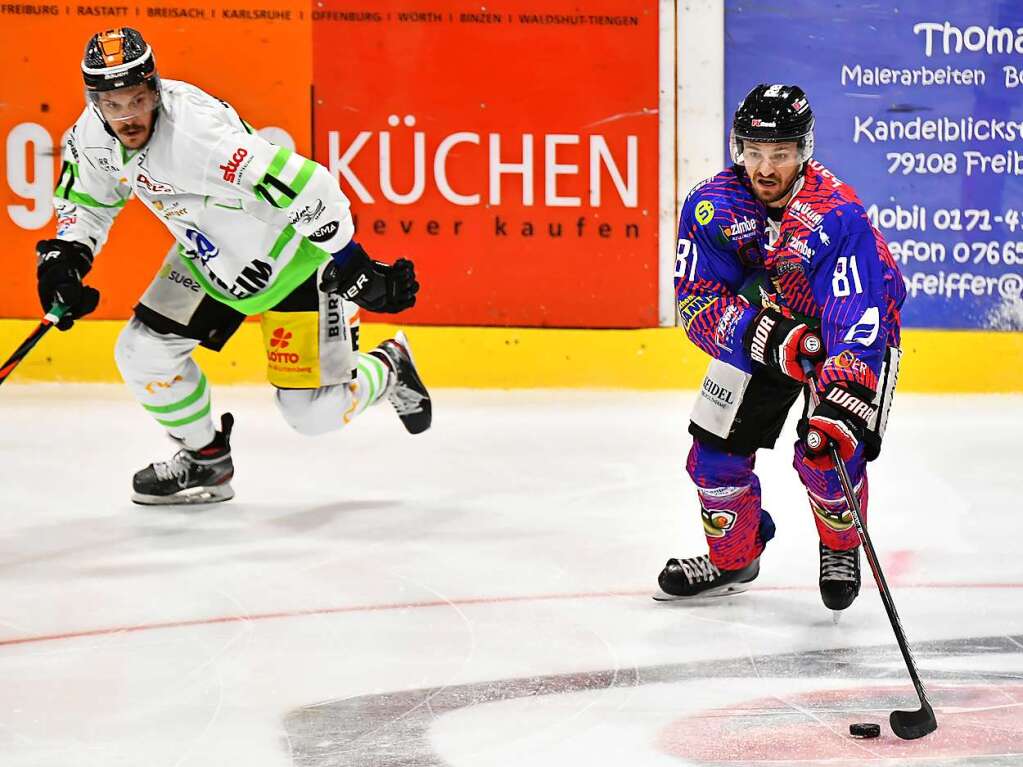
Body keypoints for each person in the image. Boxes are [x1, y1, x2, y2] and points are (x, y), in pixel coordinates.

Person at [37, 27, 432, 505]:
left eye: (137, 99)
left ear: (155, 89)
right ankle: (205, 459)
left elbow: (309, 185)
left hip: (295, 262)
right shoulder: (90, 136)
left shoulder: (197, 136)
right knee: (142, 352)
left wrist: (353, 264)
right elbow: (86, 200)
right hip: (208, 260)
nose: (128, 116)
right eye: (114, 104)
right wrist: (66, 260)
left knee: (312, 415)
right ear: (95, 101)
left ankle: (389, 366)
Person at [656, 84, 905, 612]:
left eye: (781, 154)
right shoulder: (711, 209)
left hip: (851, 337)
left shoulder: (837, 216)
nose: (765, 168)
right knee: (714, 457)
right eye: (754, 152)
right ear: (738, 148)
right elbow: (697, 304)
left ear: (803, 151)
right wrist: (769, 338)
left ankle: (840, 546)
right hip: (766, 328)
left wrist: (842, 389)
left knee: (826, 450)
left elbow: (857, 312)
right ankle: (733, 557)